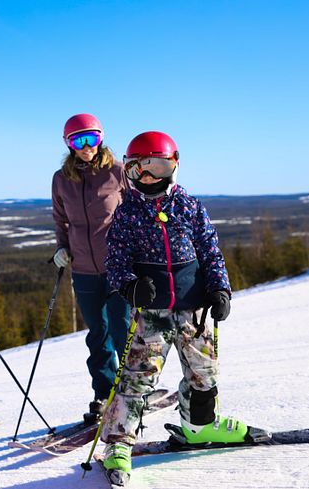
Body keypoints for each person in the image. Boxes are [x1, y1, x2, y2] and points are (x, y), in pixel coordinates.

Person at [99, 131, 245, 479]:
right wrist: (130, 288)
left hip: (194, 309)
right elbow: (116, 260)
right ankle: (118, 443)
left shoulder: (190, 205)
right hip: (151, 314)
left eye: (157, 166)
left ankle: (200, 423)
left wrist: (219, 290)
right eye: (138, 169)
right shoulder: (127, 212)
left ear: (173, 166)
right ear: (129, 173)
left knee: (204, 371)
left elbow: (210, 252)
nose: (148, 177)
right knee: (137, 377)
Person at [51, 113, 131, 422]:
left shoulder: (118, 172)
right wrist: (62, 247)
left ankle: (132, 388)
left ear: (101, 138)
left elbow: (135, 212)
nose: (86, 147)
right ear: (68, 144)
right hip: (83, 268)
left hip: (118, 265)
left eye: (92, 139)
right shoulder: (62, 179)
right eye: (78, 141)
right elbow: (61, 219)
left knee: (123, 327)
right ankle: (104, 391)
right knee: (98, 333)